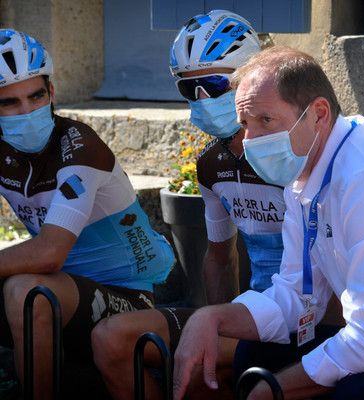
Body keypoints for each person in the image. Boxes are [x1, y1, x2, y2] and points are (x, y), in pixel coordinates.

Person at [172, 45, 364, 400]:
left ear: (319, 114)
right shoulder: (305, 174)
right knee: (253, 354)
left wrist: (273, 389)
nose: (249, 140)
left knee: (357, 391)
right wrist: (212, 318)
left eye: (266, 120)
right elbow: (296, 293)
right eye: (245, 123)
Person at [91, 10, 286, 400]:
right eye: (188, 90)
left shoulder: (292, 152)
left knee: (195, 366)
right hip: (253, 315)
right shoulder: (212, 164)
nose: (202, 100)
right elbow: (219, 258)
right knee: (110, 338)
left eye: (214, 84)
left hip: (310, 320)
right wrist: (221, 325)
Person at [0, 28, 175, 400]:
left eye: (36, 95)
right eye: (9, 103)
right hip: (70, 290)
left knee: (27, 290)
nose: (27, 111)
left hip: (127, 296)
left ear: (53, 94)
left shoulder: (79, 145)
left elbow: (49, 253)